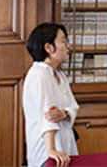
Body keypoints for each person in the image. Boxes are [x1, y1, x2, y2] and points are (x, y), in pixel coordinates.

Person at [23, 23, 79, 167]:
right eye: (63, 41)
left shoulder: (59, 75)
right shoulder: (39, 75)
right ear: (48, 48)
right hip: (46, 155)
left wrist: (64, 114)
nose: (68, 46)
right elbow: (47, 116)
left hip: (65, 151)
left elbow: (73, 106)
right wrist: (51, 150)